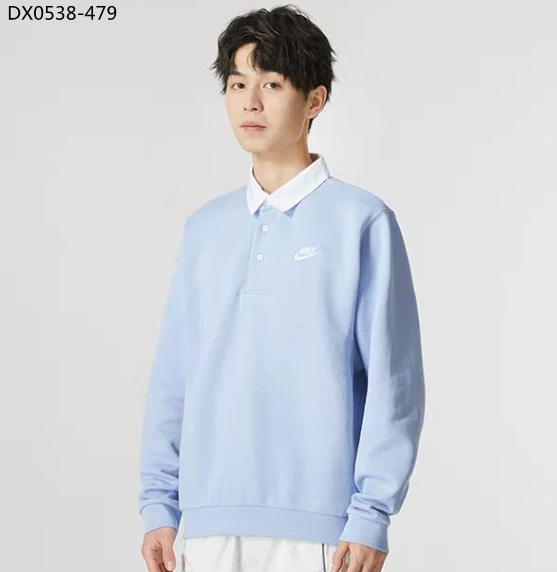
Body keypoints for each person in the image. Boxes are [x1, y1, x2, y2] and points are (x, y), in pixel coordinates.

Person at [138, 5, 426, 572]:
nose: (250, 102)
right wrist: (159, 504)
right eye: (237, 84)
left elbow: (395, 383)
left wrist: (371, 514)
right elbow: (175, 375)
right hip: (207, 525)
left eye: (271, 84)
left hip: (322, 529)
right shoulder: (204, 228)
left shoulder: (361, 221)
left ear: (315, 100)